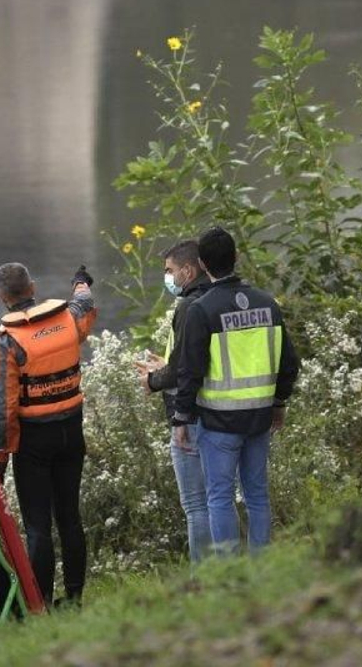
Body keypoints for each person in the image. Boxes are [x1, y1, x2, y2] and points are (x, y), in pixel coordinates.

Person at [171, 227, 300, 555]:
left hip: (219, 423)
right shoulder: (267, 304)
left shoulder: (203, 309)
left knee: (219, 498)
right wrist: (279, 401)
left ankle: (230, 571)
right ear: (236, 257)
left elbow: (190, 371)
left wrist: (181, 416)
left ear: (202, 264)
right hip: (259, 419)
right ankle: (261, 564)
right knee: (257, 495)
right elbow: (289, 362)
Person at [0, 261, 95, 607]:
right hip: (71, 431)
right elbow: (85, 303)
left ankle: (43, 603)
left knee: (38, 526)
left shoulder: (8, 342)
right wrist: (80, 281)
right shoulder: (66, 320)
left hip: (34, 442)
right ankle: (75, 598)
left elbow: (3, 409)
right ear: (32, 287)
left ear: (2, 297)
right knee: (70, 517)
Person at [132, 241, 213, 563]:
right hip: (218, 412)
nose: (167, 277)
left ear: (188, 270)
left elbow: (183, 369)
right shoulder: (216, 299)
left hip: (190, 415)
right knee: (218, 499)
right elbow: (191, 358)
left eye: (169, 271)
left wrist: (153, 379)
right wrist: (162, 364)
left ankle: (203, 577)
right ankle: (229, 569)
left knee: (196, 505)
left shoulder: (189, 306)